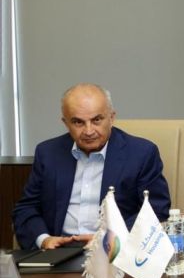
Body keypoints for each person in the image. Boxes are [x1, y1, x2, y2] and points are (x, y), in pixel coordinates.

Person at [13, 83, 170, 250]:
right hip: (59, 251)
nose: (88, 131)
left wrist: (108, 238)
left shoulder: (141, 153)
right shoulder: (48, 153)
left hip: (114, 251)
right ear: (66, 123)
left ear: (111, 118)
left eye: (96, 120)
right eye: (78, 122)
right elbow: (26, 209)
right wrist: (44, 240)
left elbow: (156, 210)